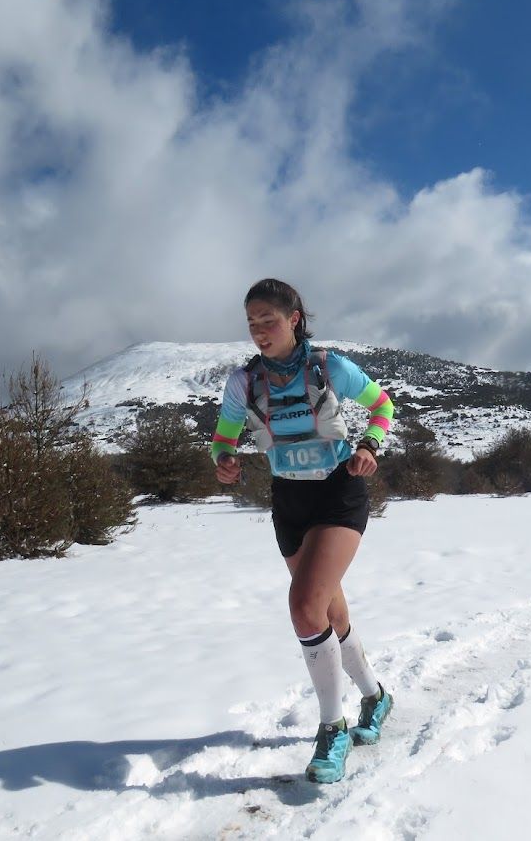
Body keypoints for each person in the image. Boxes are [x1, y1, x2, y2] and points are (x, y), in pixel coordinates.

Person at [211, 278, 395, 784]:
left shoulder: (330, 367)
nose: (258, 332)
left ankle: (331, 730)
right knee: (329, 612)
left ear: (294, 319)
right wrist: (224, 459)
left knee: (303, 607)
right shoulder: (243, 383)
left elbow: (383, 406)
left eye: (267, 320)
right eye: (251, 323)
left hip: (339, 492)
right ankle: (376, 698)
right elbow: (222, 438)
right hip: (288, 501)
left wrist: (370, 446)